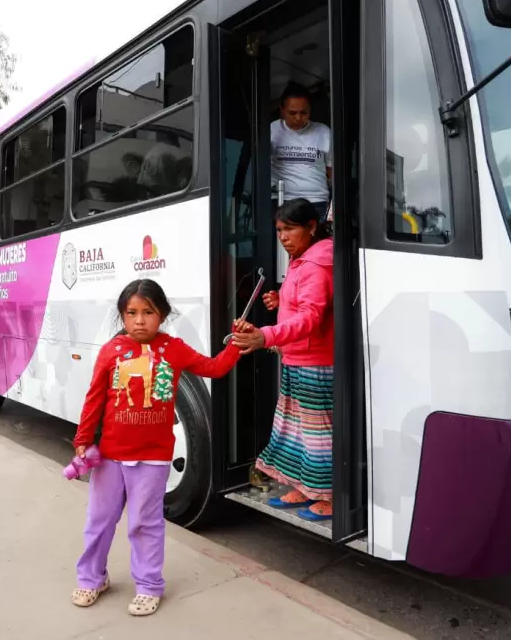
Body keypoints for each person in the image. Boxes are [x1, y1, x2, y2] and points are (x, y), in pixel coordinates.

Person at [71, 279, 250, 616]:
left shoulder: (175, 349)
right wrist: (83, 440)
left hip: (152, 459)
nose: (140, 320)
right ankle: (92, 577)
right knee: (99, 521)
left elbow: (215, 367)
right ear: (123, 316)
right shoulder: (111, 351)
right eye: (132, 313)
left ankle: (149, 585)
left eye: (148, 312)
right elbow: (94, 398)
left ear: (163, 314)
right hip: (109, 457)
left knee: (144, 522)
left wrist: (235, 343)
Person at [233, 199, 335, 521]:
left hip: (314, 363)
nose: (283, 236)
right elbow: (303, 306)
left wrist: (266, 335)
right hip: (297, 358)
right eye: (279, 230)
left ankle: (330, 496)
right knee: (297, 432)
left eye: (290, 229)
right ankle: (306, 489)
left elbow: (311, 318)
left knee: (317, 436)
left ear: (312, 227)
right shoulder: (301, 261)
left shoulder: (317, 265)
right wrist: (281, 300)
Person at [270, 82, 332, 220]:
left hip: (316, 202)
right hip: (282, 201)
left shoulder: (324, 132)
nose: (298, 118)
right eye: (292, 113)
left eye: (304, 113)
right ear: (282, 109)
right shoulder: (272, 131)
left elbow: (331, 171)